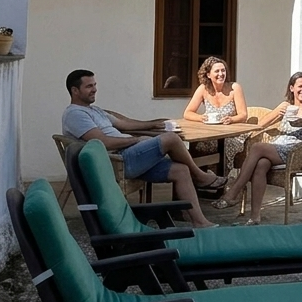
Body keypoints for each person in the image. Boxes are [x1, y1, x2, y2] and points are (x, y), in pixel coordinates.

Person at [62, 69, 227, 229]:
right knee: (170, 139)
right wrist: (136, 140)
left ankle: (200, 222)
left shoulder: (95, 110)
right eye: (89, 86)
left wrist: (153, 124)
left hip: (131, 156)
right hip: (117, 162)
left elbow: (125, 124)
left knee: (181, 170)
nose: (94, 89)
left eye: (94, 85)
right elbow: (103, 143)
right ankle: (200, 176)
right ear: (75, 90)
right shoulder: (75, 114)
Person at [214, 71, 302, 223]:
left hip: (298, 152)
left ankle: (233, 192)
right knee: (261, 164)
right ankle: (255, 217)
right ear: (292, 88)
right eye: (300, 86)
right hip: (280, 148)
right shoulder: (286, 106)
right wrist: (277, 112)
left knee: (258, 148)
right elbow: (261, 124)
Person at [183, 56, 249, 175]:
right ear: (208, 74)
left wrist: (231, 119)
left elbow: (243, 115)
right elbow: (188, 113)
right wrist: (201, 118)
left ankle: (223, 180)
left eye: (223, 70)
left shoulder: (234, 88)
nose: (221, 74)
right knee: (196, 147)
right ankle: (200, 180)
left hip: (232, 135)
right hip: (212, 134)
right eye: (217, 71)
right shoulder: (203, 89)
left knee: (226, 146)